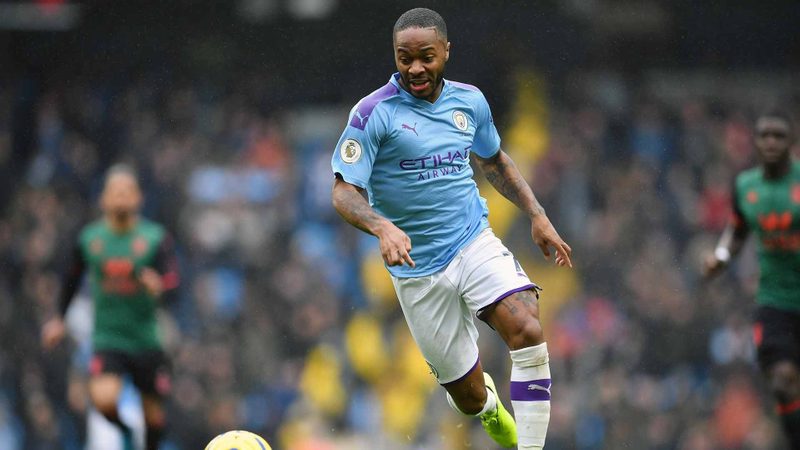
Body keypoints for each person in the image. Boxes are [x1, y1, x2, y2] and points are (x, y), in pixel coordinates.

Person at [331, 8, 572, 449]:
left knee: (526, 325)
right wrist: (383, 228)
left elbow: (494, 161)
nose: (415, 68)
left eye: (426, 57)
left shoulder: (470, 102)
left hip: (471, 240)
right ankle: (489, 407)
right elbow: (344, 192)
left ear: (446, 51)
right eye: (405, 58)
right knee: (469, 397)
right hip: (417, 269)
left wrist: (537, 214)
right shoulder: (372, 114)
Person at [41, 164, 179, 450]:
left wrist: (160, 287)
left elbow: (173, 283)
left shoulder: (154, 238)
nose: (121, 197)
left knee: (154, 417)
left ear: (139, 198)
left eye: (127, 191)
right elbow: (70, 280)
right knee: (103, 400)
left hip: (146, 338)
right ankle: (125, 430)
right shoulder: (90, 239)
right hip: (108, 337)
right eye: (115, 192)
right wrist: (59, 318)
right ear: (103, 199)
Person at [704, 110, 800, 449]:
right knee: (783, 380)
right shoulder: (747, 186)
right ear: (756, 143)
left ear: (790, 142)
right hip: (775, 299)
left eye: (779, 136)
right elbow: (737, 229)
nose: (771, 142)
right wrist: (721, 257)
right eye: (765, 136)